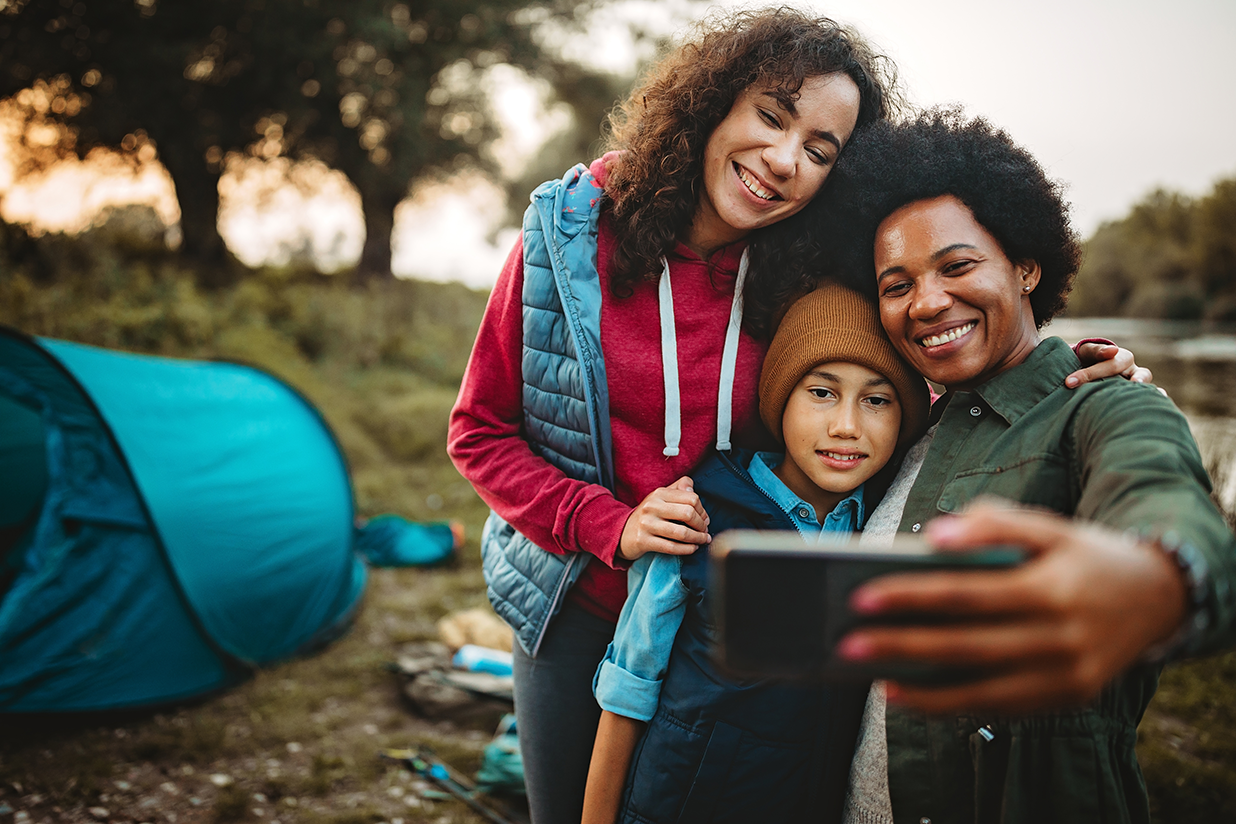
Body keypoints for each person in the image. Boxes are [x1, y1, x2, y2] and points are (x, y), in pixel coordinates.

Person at [447, 10, 1144, 822]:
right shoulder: (566, 238)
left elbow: (935, 351)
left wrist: (1077, 368)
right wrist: (610, 524)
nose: (784, 162)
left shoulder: (820, 271)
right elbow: (479, 432)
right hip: (580, 599)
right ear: (714, 105)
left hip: (746, 608)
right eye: (772, 117)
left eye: (821, 151)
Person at [806, 109, 1236, 824]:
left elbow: (1168, 503)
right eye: (896, 284)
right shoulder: (906, 425)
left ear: (1026, 265)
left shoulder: (1107, 406)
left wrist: (1157, 580)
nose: (928, 301)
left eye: (957, 265)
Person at [579, 282, 929, 824]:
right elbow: (627, 692)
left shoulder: (886, 526)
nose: (847, 426)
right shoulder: (697, 519)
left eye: (878, 400)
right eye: (822, 392)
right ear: (779, 398)